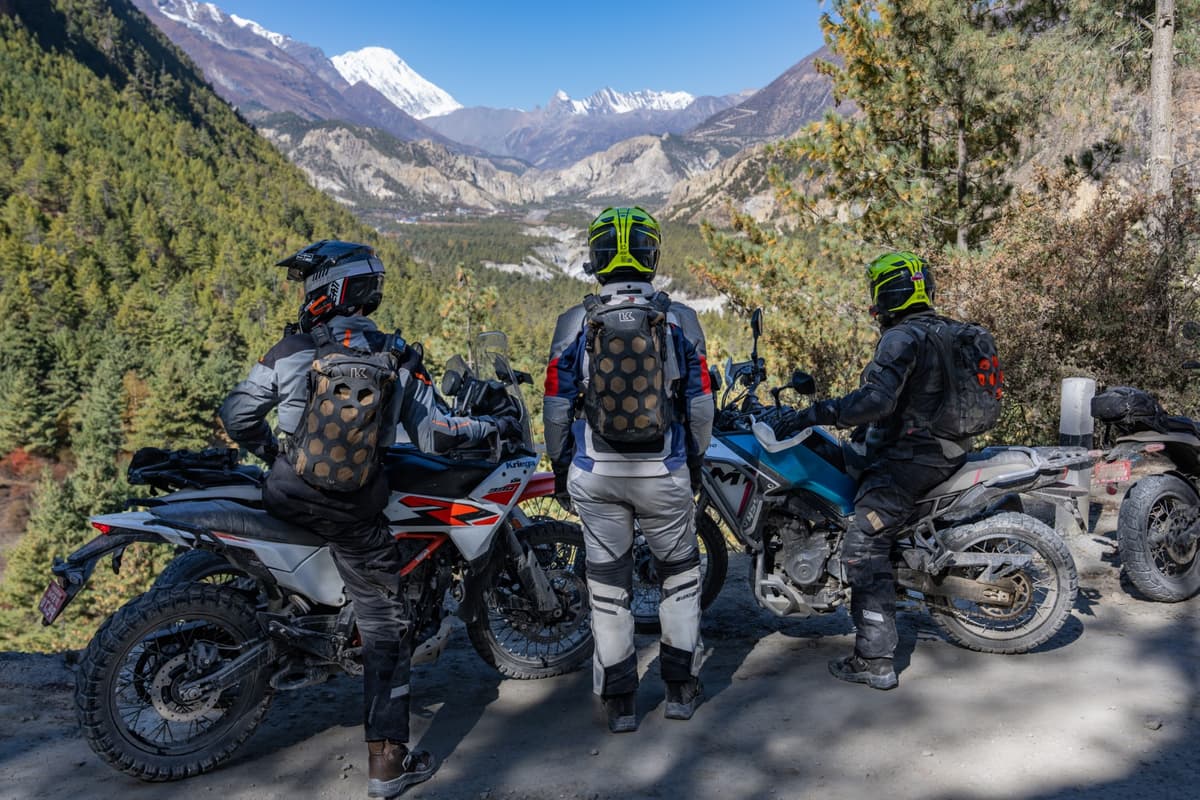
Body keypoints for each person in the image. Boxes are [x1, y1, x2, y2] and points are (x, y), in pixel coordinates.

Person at [220, 240, 505, 797]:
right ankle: (387, 767)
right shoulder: (393, 355)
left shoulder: (291, 348)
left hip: (284, 493)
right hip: (349, 507)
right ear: (363, 291)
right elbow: (437, 435)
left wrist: (275, 455)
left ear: (327, 291)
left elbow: (237, 414)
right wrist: (486, 428)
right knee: (386, 625)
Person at [543, 207, 714, 732]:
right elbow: (701, 403)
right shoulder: (679, 318)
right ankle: (681, 691)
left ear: (596, 257)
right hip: (663, 473)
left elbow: (554, 405)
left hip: (596, 474)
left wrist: (562, 465)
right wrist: (695, 460)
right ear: (650, 254)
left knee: (609, 589)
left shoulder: (575, 321)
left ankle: (620, 704)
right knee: (680, 579)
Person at [772, 251, 971, 690]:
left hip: (910, 460)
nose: (873, 304)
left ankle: (875, 660)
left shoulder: (902, 339)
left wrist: (815, 413)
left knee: (863, 544)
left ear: (888, 294)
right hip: (937, 449)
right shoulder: (949, 332)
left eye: (877, 293)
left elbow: (875, 403)